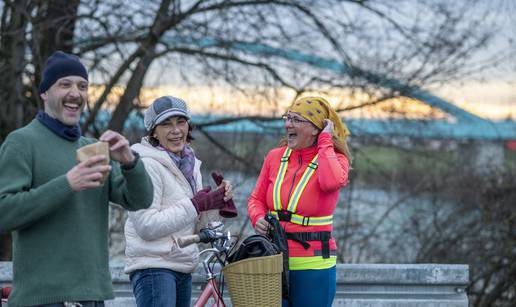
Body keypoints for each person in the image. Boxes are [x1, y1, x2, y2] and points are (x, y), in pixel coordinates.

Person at [0, 51, 154, 307]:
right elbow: (3, 212)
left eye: (82, 86)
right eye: (65, 84)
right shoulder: (21, 142)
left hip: (93, 296)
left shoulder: (93, 148)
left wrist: (129, 161)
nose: (76, 93)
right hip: (43, 301)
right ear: (44, 93)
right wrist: (67, 184)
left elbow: (140, 200)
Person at [124, 96, 235, 307]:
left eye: (180, 122)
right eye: (166, 124)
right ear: (153, 132)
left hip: (181, 265)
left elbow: (194, 222)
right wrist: (196, 204)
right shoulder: (147, 166)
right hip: (153, 267)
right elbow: (146, 225)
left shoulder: (189, 164)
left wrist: (217, 202)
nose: (176, 130)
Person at [248, 96, 351, 307]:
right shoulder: (275, 157)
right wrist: (257, 217)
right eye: (287, 118)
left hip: (313, 264)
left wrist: (325, 142)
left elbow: (330, 182)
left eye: (296, 119)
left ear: (316, 128)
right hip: (273, 260)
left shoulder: (336, 159)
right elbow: (256, 199)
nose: (287, 124)